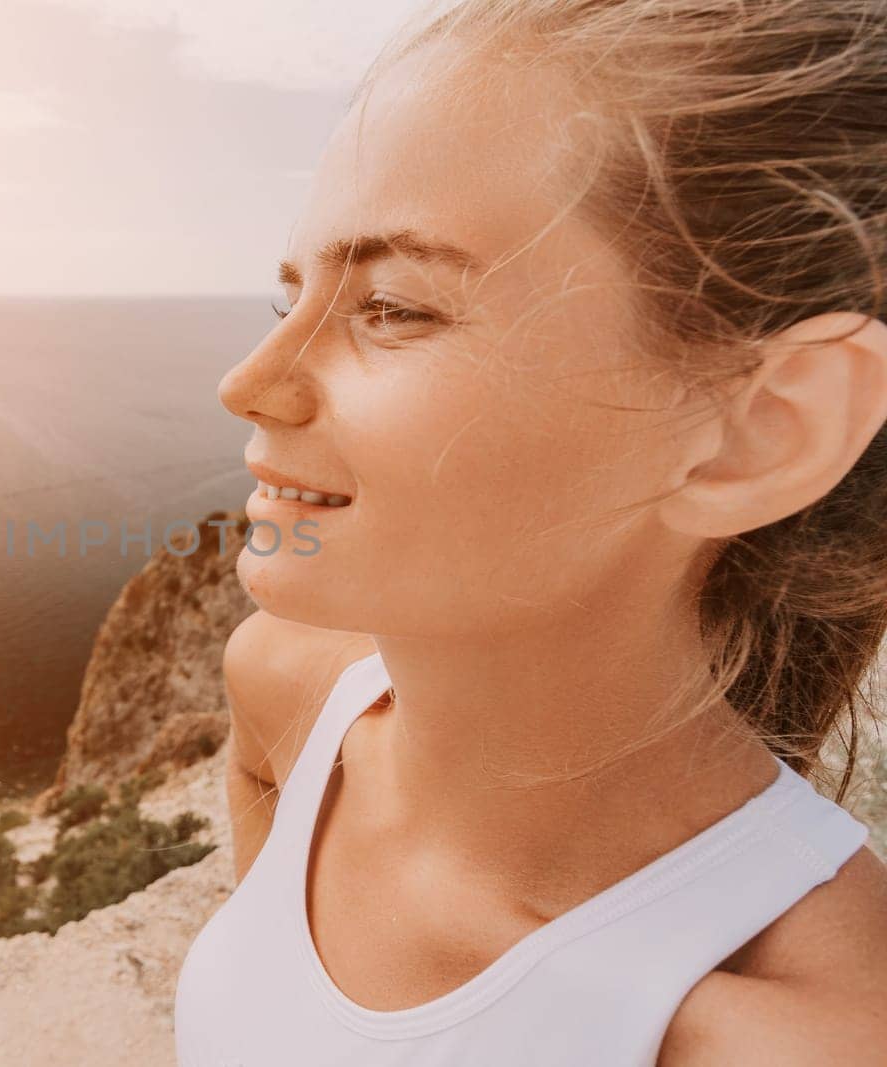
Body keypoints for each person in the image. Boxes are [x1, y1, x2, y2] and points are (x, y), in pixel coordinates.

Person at [173, 1, 887, 1063]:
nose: (247, 383)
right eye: (290, 299)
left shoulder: (798, 1035)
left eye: (394, 307)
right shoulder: (281, 685)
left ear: (754, 432)